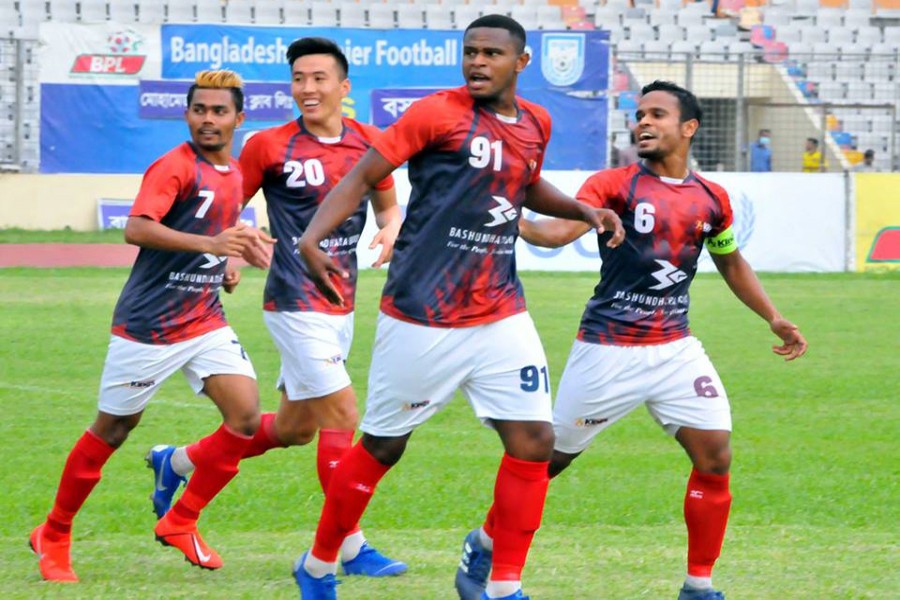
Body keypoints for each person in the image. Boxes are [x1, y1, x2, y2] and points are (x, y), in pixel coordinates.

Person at [292, 15, 624, 600]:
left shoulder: (536, 121)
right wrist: (312, 237)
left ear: (520, 63)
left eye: (491, 53)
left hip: (501, 311)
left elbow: (524, 183)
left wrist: (582, 211)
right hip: (422, 313)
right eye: (470, 51)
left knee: (534, 442)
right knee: (383, 447)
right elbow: (365, 175)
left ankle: (502, 584)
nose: (477, 62)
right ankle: (318, 564)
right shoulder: (435, 114)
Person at [511, 80, 808, 599]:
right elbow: (555, 233)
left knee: (715, 455)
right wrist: (509, 215)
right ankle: (489, 545)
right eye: (639, 114)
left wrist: (774, 317)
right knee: (545, 463)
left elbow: (730, 261)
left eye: (657, 115)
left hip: (675, 349)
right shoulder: (612, 184)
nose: (643, 122)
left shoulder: (712, 199)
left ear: (688, 127)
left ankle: (698, 585)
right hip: (608, 350)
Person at [147, 37, 406, 577]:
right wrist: (231, 254)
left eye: (317, 78)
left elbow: (387, 203)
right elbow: (227, 208)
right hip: (292, 300)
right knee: (343, 416)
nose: (307, 89)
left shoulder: (371, 141)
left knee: (294, 429)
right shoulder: (268, 145)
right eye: (298, 80)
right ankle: (345, 548)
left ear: (343, 86)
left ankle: (177, 463)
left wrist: (390, 229)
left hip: (341, 304)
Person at [29, 70, 275, 582]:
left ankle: (182, 519)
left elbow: (215, 232)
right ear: (187, 114)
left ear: (238, 119)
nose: (208, 120)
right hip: (149, 327)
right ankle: (53, 532)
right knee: (113, 430)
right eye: (200, 110)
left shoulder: (232, 173)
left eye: (219, 111)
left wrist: (225, 265)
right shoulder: (173, 166)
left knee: (245, 417)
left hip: (205, 319)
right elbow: (137, 227)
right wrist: (211, 247)